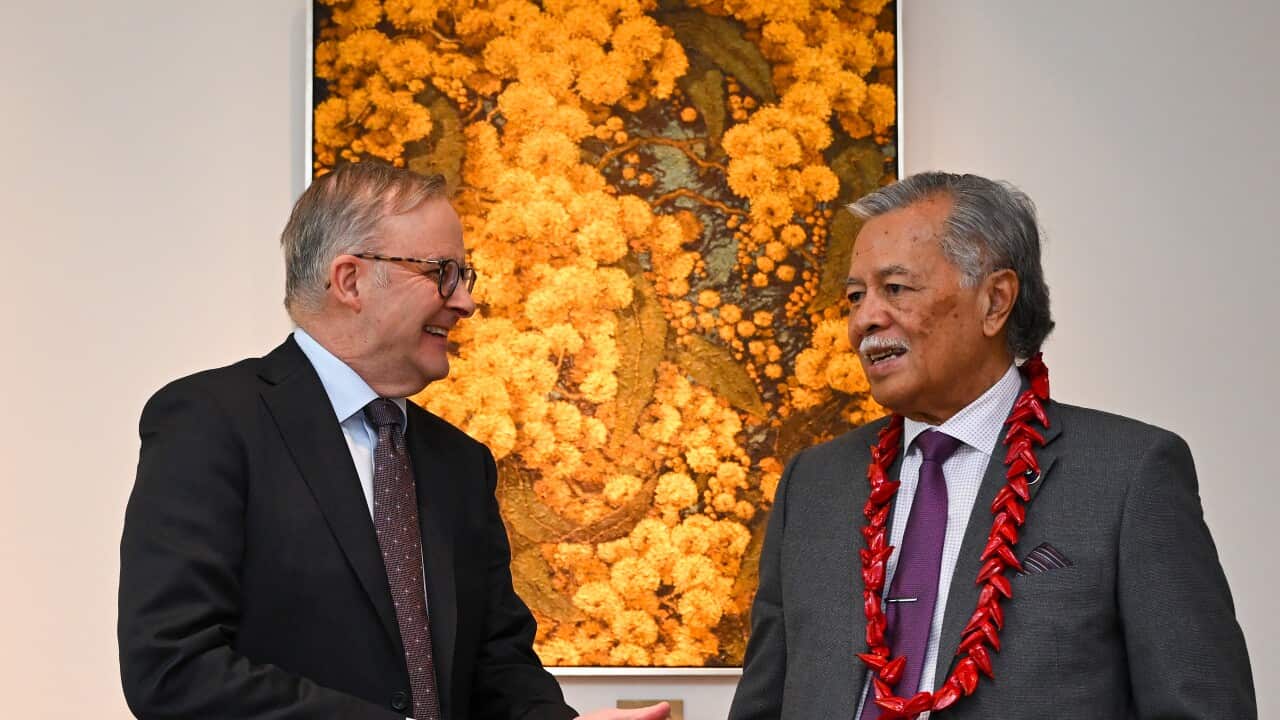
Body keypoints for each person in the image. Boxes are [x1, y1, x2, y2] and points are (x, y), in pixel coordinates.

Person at [119, 162, 669, 720]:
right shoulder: (211, 421)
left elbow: (497, 665)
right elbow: (173, 669)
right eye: (441, 273)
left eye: (465, 276)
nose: (465, 302)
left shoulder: (461, 463)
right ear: (350, 280)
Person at [728, 172, 1255, 719]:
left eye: (896, 289)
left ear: (995, 301)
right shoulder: (813, 484)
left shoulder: (1128, 473)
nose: (864, 320)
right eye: (856, 296)